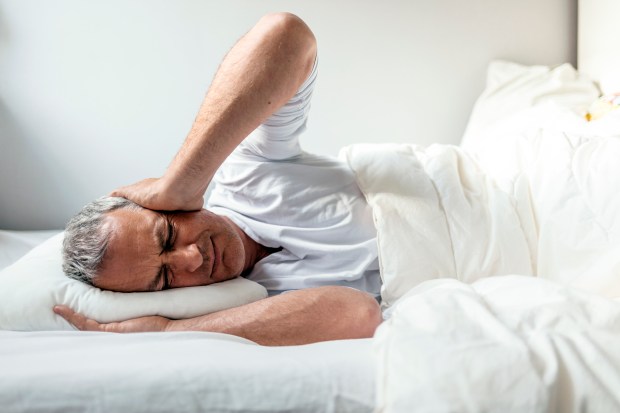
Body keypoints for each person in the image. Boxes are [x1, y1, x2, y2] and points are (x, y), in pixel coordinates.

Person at [53, 12, 383, 346]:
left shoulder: (249, 170)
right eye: (166, 278)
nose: (193, 259)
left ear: (162, 206)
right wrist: (169, 330)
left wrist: (180, 184)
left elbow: (287, 35)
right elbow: (359, 313)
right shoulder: (253, 305)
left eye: (167, 235)